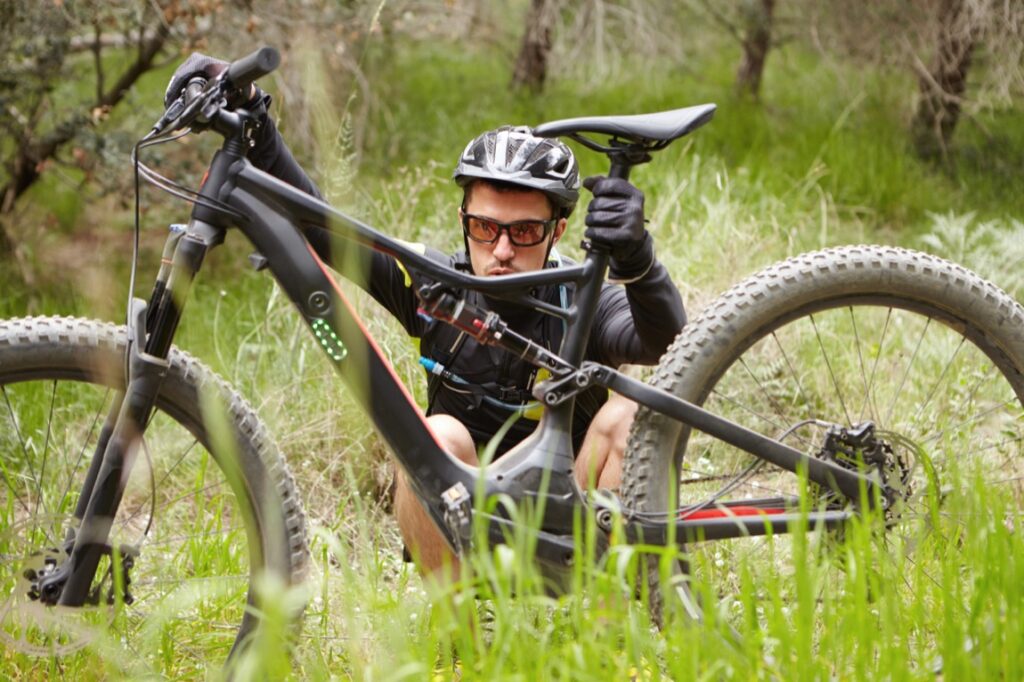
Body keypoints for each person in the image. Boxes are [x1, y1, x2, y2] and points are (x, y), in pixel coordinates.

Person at [165, 56, 687, 579]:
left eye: (525, 232)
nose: (502, 250)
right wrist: (256, 120)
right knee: (434, 434)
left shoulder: (584, 300)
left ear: (558, 229)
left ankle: (605, 627)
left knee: (629, 412)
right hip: (464, 523)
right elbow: (322, 227)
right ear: (463, 222)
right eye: (485, 228)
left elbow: (668, 344)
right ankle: (457, 640)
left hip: (572, 519)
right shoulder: (435, 284)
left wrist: (638, 260)